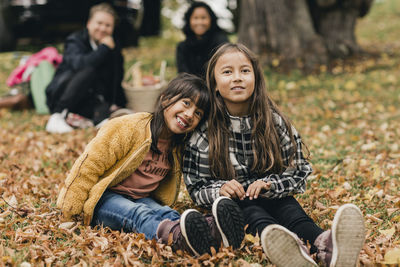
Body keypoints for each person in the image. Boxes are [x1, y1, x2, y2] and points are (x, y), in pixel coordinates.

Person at [182, 43, 365, 266]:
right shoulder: (204, 131)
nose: (237, 77)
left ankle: (327, 245)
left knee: (292, 212)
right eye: (227, 72)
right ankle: (291, 252)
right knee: (254, 215)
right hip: (237, 203)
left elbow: (298, 171)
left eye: (245, 71)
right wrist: (220, 189)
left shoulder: (274, 122)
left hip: (274, 194)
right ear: (215, 85)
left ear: (256, 79)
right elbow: (196, 186)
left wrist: (270, 185)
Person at [56, 73, 244, 256]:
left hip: (141, 198)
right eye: (186, 103)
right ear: (165, 99)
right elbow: (88, 166)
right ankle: (177, 239)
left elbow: (203, 170)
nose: (189, 114)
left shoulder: (179, 146)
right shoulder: (128, 127)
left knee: (167, 213)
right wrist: (69, 212)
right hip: (105, 199)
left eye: (198, 113)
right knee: (139, 214)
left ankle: (212, 233)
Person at [45, 3, 127, 133]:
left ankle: (96, 119)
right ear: (89, 23)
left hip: (88, 97)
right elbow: (81, 66)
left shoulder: (113, 46)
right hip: (61, 94)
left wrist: (118, 103)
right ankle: (57, 116)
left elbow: (116, 77)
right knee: (89, 69)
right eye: (99, 23)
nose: (103, 28)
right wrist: (103, 49)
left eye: (108, 25)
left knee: (104, 115)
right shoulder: (75, 40)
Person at [176, 1, 229, 78]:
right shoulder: (182, 47)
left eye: (203, 18)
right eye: (195, 18)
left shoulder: (221, 42)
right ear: (189, 21)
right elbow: (183, 75)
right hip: (191, 88)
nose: (199, 22)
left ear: (211, 20)